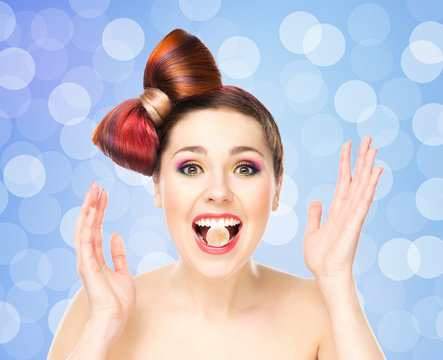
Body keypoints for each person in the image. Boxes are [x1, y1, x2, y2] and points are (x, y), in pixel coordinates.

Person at [48, 29, 386, 359]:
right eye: (192, 168)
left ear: (277, 188)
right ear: (158, 186)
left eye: (244, 168)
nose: (219, 192)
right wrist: (103, 324)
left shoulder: (322, 312)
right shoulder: (97, 308)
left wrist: (338, 280)